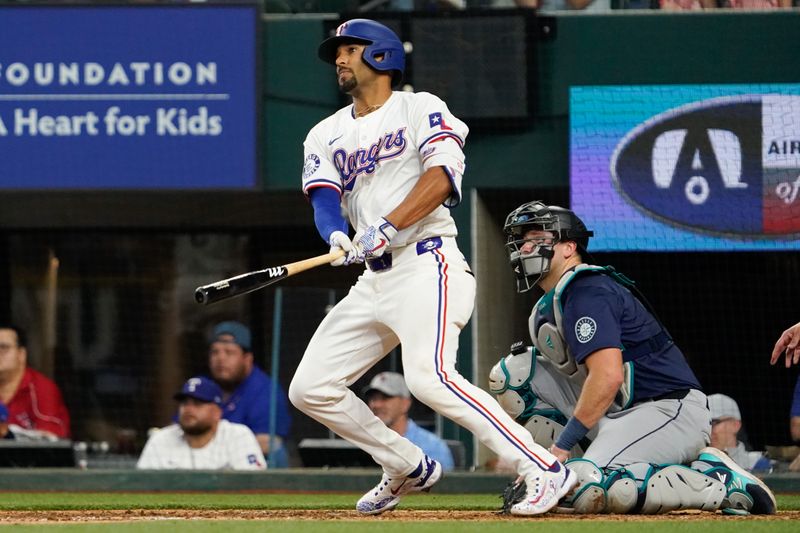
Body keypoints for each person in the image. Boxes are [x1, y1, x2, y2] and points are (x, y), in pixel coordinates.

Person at [290, 18, 575, 517]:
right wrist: (335, 233)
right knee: (310, 388)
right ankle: (405, 464)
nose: (339, 58)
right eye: (337, 51)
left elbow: (441, 178)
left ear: (381, 55)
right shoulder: (324, 132)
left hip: (428, 264)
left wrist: (386, 224)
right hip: (373, 277)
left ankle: (543, 468)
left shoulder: (421, 107)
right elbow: (324, 200)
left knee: (429, 377)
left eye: (349, 49)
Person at [489, 201, 776, 515]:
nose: (526, 246)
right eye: (523, 239)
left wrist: (556, 450)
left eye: (538, 238)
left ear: (569, 247)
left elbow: (608, 376)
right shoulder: (551, 303)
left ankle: (718, 481)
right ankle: (574, 466)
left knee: (590, 487)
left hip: (668, 408)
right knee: (514, 376)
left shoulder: (588, 291)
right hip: (620, 412)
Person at [207, 321, 291, 467]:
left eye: (229, 352)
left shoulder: (265, 389)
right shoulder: (204, 387)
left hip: (249, 468)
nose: (220, 358)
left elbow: (267, 442)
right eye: (215, 352)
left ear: (247, 358)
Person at [137, 376, 266, 470]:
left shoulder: (238, 436)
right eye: (184, 403)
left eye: (197, 403)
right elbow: (140, 487)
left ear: (217, 412)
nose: (188, 409)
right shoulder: (161, 439)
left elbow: (256, 483)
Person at [363, 371, 455, 471]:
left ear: (405, 404)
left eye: (385, 398)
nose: (377, 405)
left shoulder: (432, 446)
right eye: (373, 399)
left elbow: (446, 486)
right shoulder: (361, 439)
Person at [0, 323, 70, 439]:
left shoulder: (42, 389)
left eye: (3, 348)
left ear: (21, 354)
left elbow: (50, 439)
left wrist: (8, 434)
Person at [708, 393, 771, 473]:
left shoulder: (757, 463)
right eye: (704, 424)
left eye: (714, 423)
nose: (708, 430)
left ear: (735, 425)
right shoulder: (692, 465)